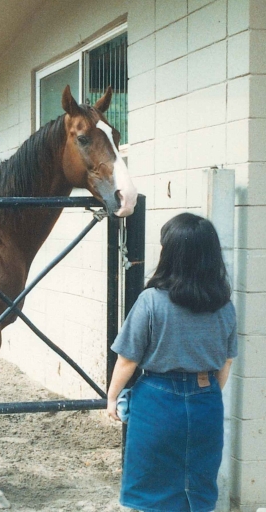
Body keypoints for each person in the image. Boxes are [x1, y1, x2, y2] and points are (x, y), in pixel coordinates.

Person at [107, 212, 237, 512]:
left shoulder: (151, 301)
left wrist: (112, 397)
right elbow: (226, 365)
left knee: (153, 494)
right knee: (197, 489)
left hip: (156, 401)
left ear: (172, 255)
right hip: (207, 402)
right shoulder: (224, 306)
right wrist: (203, 390)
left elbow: (128, 360)